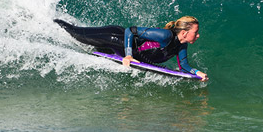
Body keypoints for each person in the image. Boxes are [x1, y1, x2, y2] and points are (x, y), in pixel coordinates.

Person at [54, 16, 208, 81]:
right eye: (196, 33)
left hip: (118, 47)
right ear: (184, 32)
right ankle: (51, 22)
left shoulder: (182, 44)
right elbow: (130, 30)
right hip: (115, 37)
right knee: (75, 33)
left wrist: (197, 73)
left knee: (93, 47)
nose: (198, 36)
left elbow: (184, 66)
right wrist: (128, 56)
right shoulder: (165, 36)